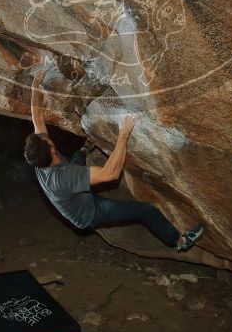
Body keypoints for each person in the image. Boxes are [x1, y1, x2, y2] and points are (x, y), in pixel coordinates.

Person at [24, 71, 204, 252]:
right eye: (47, 141)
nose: (46, 136)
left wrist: (35, 86)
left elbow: (37, 118)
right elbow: (111, 174)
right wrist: (123, 135)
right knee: (145, 211)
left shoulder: (40, 157)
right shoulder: (65, 177)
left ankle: (85, 148)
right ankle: (179, 241)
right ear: (51, 151)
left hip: (71, 190)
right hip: (89, 212)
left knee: (78, 156)